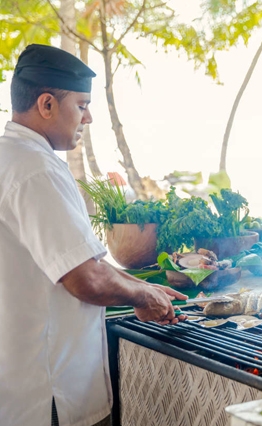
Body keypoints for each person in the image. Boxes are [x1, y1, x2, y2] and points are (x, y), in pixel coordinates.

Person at [0, 44, 188, 426]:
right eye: (82, 105)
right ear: (47, 104)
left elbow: (77, 261)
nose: (89, 118)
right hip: (50, 394)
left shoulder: (10, 157)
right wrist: (141, 294)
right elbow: (84, 278)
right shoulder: (37, 170)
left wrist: (138, 283)